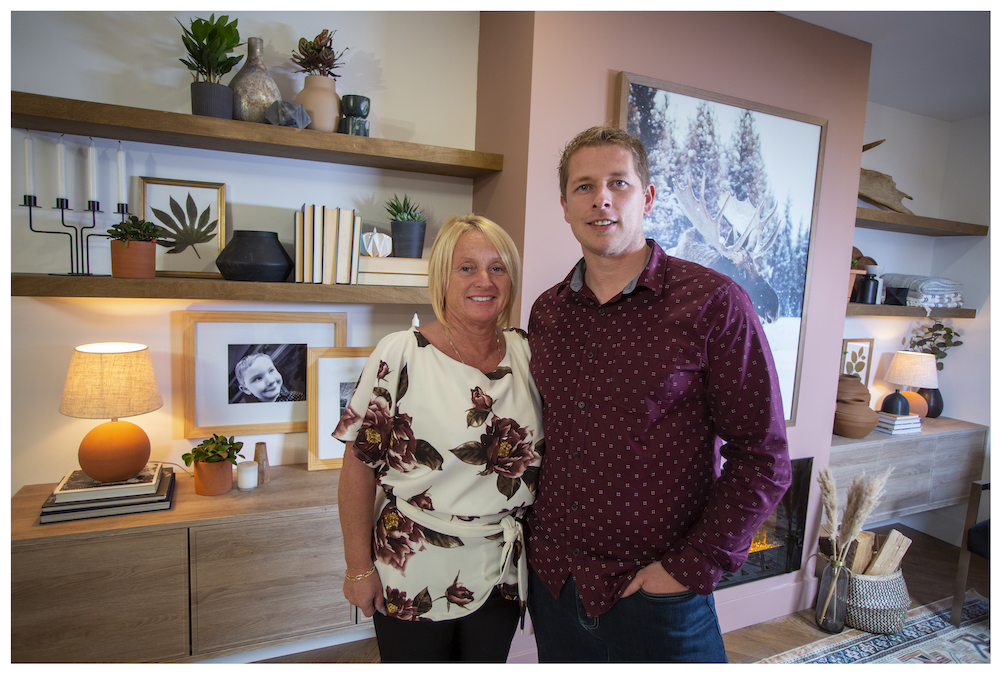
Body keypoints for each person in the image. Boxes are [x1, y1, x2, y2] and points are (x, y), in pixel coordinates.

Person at [525, 126, 791, 662]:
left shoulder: (714, 303)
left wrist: (685, 570)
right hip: (557, 585)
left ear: (645, 197)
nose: (601, 198)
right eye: (583, 187)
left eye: (617, 183)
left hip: (659, 596)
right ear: (564, 205)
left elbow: (763, 458)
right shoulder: (547, 313)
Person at [334, 214, 543, 662]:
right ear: (442, 278)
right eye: (466, 267)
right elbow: (358, 467)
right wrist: (357, 569)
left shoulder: (529, 352)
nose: (483, 280)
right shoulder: (401, 353)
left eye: (497, 267)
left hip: (499, 571)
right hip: (413, 565)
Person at [233, 351, 305, 402]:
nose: (271, 381)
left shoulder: (295, 398)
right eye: (258, 378)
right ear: (246, 389)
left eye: (271, 371)